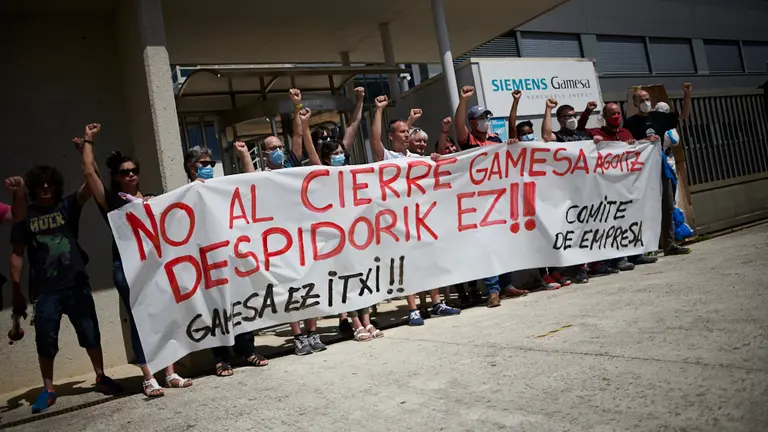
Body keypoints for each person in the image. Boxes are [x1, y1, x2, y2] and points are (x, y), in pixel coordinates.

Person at [78, 124, 194, 396]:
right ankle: (148, 376)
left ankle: (170, 372)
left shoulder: (152, 198)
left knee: (164, 317)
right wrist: (87, 142)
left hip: (156, 268)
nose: (130, 175)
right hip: (127, 268)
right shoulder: (112, 201)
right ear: (116, 177)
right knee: (141, 320)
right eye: (123, 172)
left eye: (133, 171)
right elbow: (89, 172)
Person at [10, 162, 123, 414]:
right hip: (45, 291)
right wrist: (16, 289)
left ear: (57, 186)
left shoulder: (66, 207)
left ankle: (101, 377)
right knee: (45, 340)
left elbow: (90, 187)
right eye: (40, 184)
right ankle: (48, 389)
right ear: (34, 189)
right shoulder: (25, 217)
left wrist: (85, 156)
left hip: (77, 285)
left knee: (90, 332)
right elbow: (16, 255)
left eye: (50, 183)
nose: (46, 187)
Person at [235, 90, 326, 356]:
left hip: (302, 236)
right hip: (278, 241)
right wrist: (243, 155)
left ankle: (312, 332)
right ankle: (297, 336)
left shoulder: (291, 165)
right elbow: (248, 180)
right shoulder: (262, 174)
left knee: (310, 283)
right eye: (272, 148)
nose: (278, 151)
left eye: (279, 147)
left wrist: (297, 104)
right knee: (288, 289)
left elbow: (298, 135)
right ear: (263, 154)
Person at [371, 96, 461, 323]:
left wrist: (435, 159)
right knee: (406, 265)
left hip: (421, 218)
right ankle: (412, 309)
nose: (406, 134)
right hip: (399, 221)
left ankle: (437, 303)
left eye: (407, 131)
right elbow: (374, 140)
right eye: (401, 132)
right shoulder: (387, 157)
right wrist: (379, 110)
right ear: (391, 136)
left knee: (429, 260)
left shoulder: (417, 159)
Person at [623, 84, 694, 257]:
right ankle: (647, 247)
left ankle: (669, 244)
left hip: (661, 167)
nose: (645, 102)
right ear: (634, 102)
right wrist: (642, 142)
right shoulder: (629, 123)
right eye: (641, 100)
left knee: (668, 206)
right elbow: (624, 144)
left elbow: (683, 115)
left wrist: (687, 95)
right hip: (642, 173)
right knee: (645, 208)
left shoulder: (659, 117)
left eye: (647, 99)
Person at [540, 98, 596, 284]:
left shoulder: (583, 135)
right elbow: (547, 136)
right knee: (572, 229)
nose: (571, 119)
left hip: (585, 189)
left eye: (574, 116)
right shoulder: (559, 136)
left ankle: (596, 262)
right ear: (560, 120)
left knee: (588, 227)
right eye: (567, 117)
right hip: (565, 193)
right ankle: (577, 268)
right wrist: (548, 109)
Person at [584, 103, 638, 274]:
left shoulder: (625, 133)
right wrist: (587, 111)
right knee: (610, 221)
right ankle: (616, 259)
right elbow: (578, 128)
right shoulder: (596, 133)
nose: (616, 116)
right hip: (604, 187)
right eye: (612, 113)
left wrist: (637, 144)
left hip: (624, 185)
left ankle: (633, 254)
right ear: (604, 117)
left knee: (626, 219)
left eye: (618, 113)